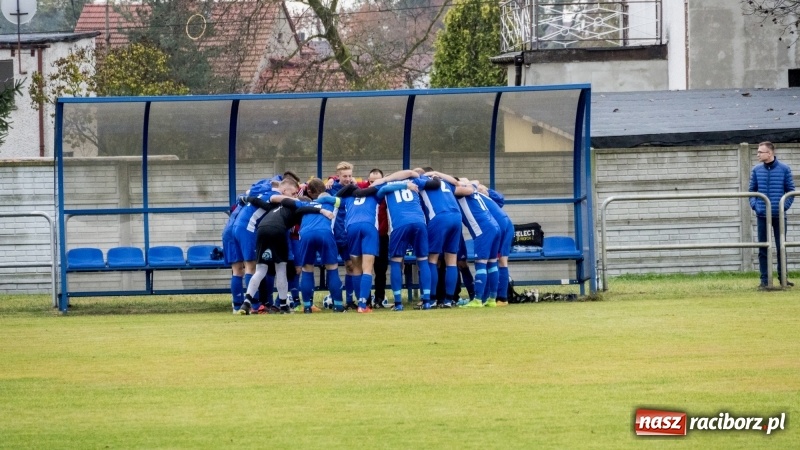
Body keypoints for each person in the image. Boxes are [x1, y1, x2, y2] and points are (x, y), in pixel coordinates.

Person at [748, 141, 796, 288]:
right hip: (762, 216)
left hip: (779, 217)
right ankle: (764, 281)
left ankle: (783, 280)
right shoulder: (756, 170)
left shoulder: (784, 169)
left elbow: (791, 191)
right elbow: (751, 191)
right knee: (763, 248)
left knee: (781, 247)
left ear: (769, 153)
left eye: (760, 152)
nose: (757, 154)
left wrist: (783, 207)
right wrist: (757, 207)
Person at [326, 161, 358, 309]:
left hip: (348, 234)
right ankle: (334, 299)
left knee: (350, 266)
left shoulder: (354, 189)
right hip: (332, 234)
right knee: (331, 267)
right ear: (338, 176)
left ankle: (350, 300)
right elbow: (309, 186)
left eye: (350, 175)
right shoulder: (331, 188)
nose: (347, 178)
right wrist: (330, 179)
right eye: (344, 176)